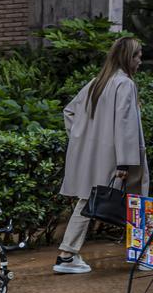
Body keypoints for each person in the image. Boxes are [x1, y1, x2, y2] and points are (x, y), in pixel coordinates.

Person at [55, 36, 147, 274]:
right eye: (137, 56)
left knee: (89, 199)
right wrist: (125, 163)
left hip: (100, 156)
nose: (140, 61)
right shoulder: (124, 84)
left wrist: (84, 141)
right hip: (121, 159)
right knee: (136, 199)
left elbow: (70, 113)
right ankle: (141, 254)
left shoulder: (98, 82)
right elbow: (125, 126)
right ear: (128, 57)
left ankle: (67, 254)